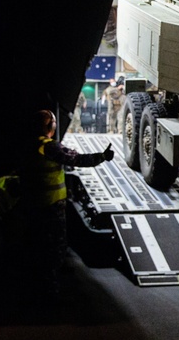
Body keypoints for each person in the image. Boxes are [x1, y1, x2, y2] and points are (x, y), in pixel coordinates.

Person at [19, 110, 114, 297]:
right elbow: (76, 159)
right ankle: (49, 291)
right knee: (53, 248)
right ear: (50, 127)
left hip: (33, 204)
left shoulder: (29, 144)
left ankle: (39, 284)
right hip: (50, 206)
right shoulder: (48, 147)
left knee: (37, 245)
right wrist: (102, 157)